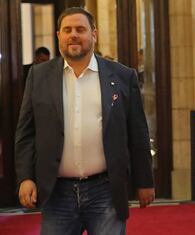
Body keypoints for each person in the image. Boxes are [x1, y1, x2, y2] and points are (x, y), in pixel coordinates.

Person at [15, 7, 155, 235]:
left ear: (94, 35)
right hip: (56, 193)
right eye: (67, 30)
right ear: (58, 34)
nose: (74, 35)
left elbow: (137, 132)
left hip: (106, 191)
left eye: (81, 29)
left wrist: (145, 181)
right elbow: (26, 133)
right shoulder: (39, 76)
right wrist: (26, 177)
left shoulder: (122, 76)